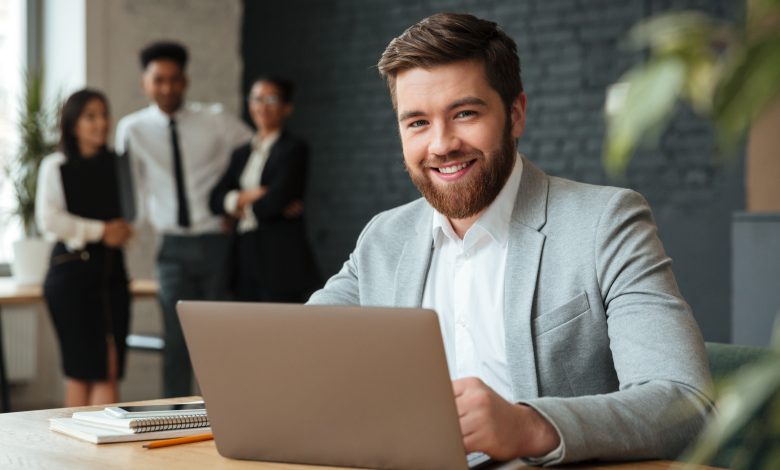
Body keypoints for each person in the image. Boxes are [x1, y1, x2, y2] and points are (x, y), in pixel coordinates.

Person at [308, 12, 714, 465]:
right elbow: (296, 353)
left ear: (515, 114)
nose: (441, 144)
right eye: (417, 122)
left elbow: (685, 404)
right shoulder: (384, 237)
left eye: (464, 113)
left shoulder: (606, 223)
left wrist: (529, 426)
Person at [115, 41, 252, 398]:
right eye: (159, 80)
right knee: (175, 343)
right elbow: (130, 189)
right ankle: (173, 419)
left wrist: (234, 204)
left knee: (217, 340)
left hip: (215, 242)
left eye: (175, 80)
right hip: (171, 247)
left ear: (186, 81)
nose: (167, 88)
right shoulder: (132, 129)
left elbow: (254, 153)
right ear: (145, 82)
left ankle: (226, 416)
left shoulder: (215, 119)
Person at [36, 89, 133, 406]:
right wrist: (100, 230)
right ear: (73, 124)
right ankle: (73, 451)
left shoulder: (118, 165)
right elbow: (49, 219)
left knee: (109, 366)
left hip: (111, 274)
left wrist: (122, 230)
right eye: (91, 116)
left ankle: (104, 452)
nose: (101, 123)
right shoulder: (56, 165)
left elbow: (133, 214)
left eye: (104, 114)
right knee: (81, 368)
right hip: (72, 275)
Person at [209, 77, 320, 302]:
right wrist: (249, 197)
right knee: (245, 328)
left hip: (281, 257)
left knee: (281, 330)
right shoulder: (240, 153)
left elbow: (276, 200)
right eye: (257, 99)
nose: (262, 106)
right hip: (244, 254)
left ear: (287, 108)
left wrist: (238, 209)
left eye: (271, 99)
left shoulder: (294, 149)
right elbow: (213, 200)